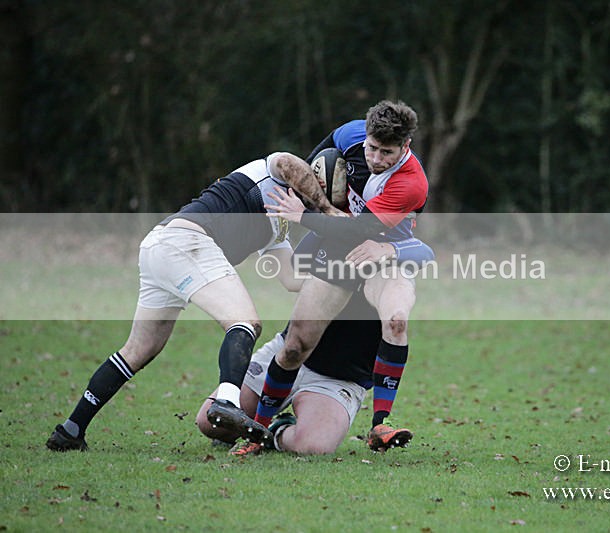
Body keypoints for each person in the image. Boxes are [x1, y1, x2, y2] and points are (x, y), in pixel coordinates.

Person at [45, 152, 337, 452]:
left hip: (161, 248)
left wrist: (344, 270)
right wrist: (327, 212)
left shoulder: (279, 223)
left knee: (138, 350)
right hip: (185, 242)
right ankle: (226, 401)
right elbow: (288, 162)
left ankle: (71, 430)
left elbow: (291, 279)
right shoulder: (274, 173)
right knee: (245, 323)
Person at [228, 100, 429, 455]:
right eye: (371, 148)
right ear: (363, 136)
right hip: (336, 242)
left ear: (405, 148)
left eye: (387, 152)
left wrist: (305, 214)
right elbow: (313, 165)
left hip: (383, 252)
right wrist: (314, 193)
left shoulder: (411, 183)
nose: (377, 159)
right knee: (294, 345)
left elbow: (361, 232)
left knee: (396, 320)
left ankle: (380, 422)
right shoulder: (351, 134)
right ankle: (259, 429)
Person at [195, 236, 435, 455]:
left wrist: (387, 250)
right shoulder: (331, 234)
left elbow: (424, 252)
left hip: (339, 379)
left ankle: (277, 432)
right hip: (285, 354)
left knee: (312, 446)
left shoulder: (399, 255)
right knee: (210, 422)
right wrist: (273, 232)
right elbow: (293, 274)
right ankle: (253, 424)